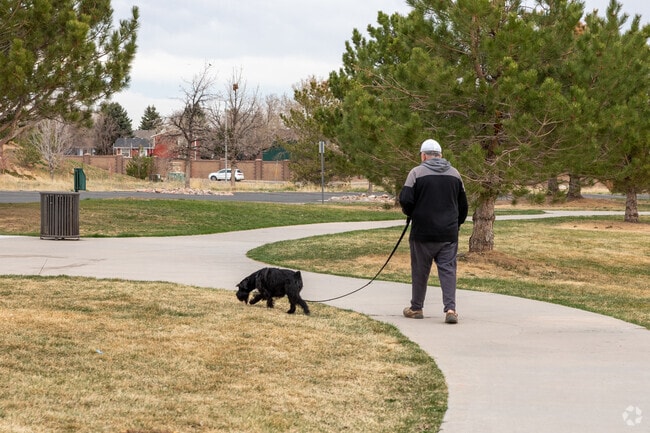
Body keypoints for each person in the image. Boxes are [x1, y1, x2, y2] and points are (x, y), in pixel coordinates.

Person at [399, 138, 468, 324]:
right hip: (448, 233)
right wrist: (456, 224)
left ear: (423, 155)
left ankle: (416, 308)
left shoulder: (415, 173)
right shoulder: (455, 174)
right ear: (441, 155)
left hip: (422, 232)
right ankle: (451, 310)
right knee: (448, 271)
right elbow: (463, 205)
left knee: (420, 270)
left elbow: (405, 200)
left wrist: (413, 214)